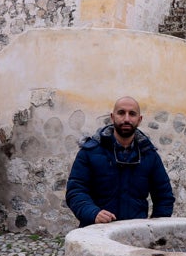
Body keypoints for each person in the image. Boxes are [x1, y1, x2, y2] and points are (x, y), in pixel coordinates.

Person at [66, 96, 175, 226]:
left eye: (132, 114)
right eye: (121, 113)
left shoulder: (149, 155)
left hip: (135, 233)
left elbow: (164, 197)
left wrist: (153, 230)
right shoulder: (89, 152)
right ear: (112, 117)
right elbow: (76, 191)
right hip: (96, 231)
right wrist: (93, 213)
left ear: (139, 120)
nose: (126, 119)